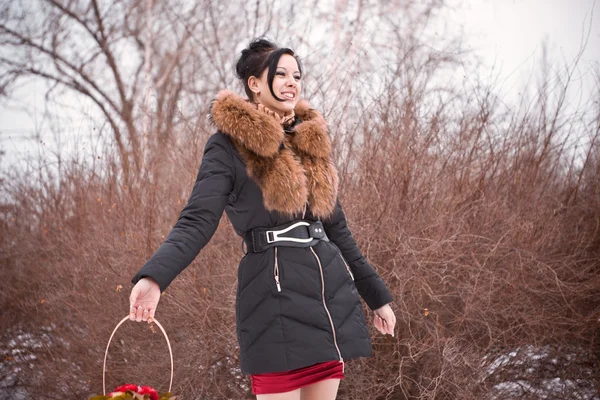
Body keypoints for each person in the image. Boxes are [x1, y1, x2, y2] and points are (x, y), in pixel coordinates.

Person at [128, 38, 396, 400]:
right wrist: (154, 278)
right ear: (254, 83)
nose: (292, 82)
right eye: (280, 73)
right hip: (273, 299)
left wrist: (377, 297)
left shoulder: (310, 144)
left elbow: (338, 230)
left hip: (328, 300)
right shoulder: (227, 146)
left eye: (296, 75)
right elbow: (197, 220)